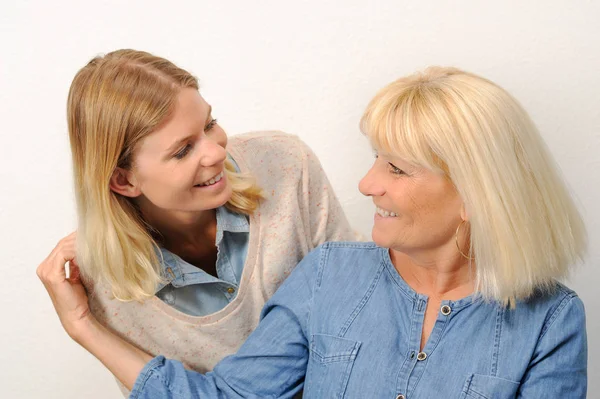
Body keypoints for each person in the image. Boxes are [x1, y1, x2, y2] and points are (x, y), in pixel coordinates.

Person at [39, 66, 588, 398]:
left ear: (476, 194)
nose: (367, 182)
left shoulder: (553, 320)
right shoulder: (327, 274)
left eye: (396, 167)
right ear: (123, 180)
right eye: (376, 158)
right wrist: (84, 325)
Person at [36, 49, 357, 395]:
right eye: (183, 150)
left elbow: (359, 312)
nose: (217, 152)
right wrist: (81, 324)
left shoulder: (286, 165)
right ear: (124, 181)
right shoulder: (99, 281)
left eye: (209, 124)